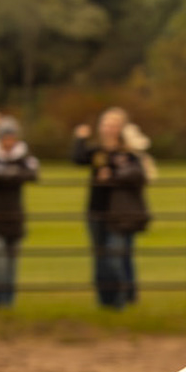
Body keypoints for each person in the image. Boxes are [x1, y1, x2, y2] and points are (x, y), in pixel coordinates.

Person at [73, 107, 153, 309]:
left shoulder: (129, 153)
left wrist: (113, 176)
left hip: (120, 214)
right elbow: (78, 159)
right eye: (106, 124)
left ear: (122, 128)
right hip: (96, 210)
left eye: (114, 125)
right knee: (101, 258)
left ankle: (122, 299)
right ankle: (105, 301)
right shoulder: (97, 152)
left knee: (116, 257)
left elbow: (139, 175)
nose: (109, 129)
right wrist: (80, 139)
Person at [0, 117, 40, 308]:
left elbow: (33, 174)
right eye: (5, 137)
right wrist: (11, 175)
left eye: (12, 137)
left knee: (11, 267)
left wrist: (5, 175)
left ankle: (8, 305)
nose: (9, 142)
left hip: (15, 219)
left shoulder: (23, 157)